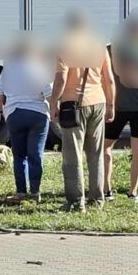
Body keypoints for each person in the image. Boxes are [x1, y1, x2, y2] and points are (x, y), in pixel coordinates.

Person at [50, 47, 116, 212]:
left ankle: (76, 202)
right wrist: (111, 105)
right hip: (98, 103)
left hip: (73, 105)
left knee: (73, 156)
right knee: (96, 154)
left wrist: (53, 102)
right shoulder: (100, 47)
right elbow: (109, 79)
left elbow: (61, 78)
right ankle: (97, 199)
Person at [0, 37, 53, 203]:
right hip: (38, 116)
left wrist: (3, 112)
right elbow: (49, 94)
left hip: (14, 114)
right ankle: (35, 192)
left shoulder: (7, 71)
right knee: (36, 154)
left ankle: (20, 192)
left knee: (19, 155)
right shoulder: (40, 69)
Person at [103, 53, 138, 203]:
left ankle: (107, 190)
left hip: (117, 107)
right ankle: (133, 192)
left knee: (105, 147)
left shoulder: (110, 51)